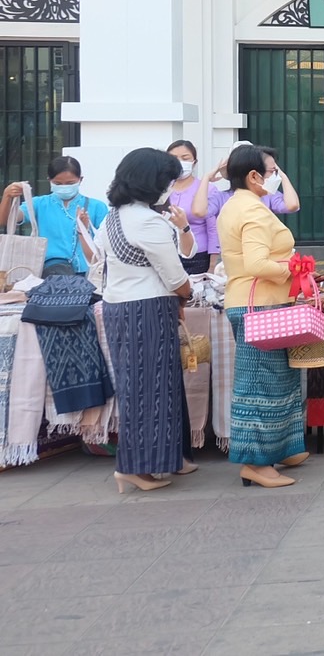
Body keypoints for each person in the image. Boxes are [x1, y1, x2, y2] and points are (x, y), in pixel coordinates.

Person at [97, 148, 196, 493]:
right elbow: (174, 275)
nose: (169, 186)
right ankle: (134, 469)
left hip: (119, 308)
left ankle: (162, 461)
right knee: (150, 392)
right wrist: (188, 294)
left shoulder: (113, 216)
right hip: (147, 309)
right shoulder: (147, 222)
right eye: (167, 180)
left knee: (142, 389)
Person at [217, 145, 309, 488]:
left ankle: (281, 448)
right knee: (258, 386)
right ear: (253, 176)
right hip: (259, 306)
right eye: (271, 172)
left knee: (278, 381)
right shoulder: (252, 212)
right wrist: (292, 268)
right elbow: (257, 264)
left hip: (259, 303)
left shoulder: (238, 205)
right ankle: (254, 463)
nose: (274, 178)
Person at [2, 157, 109, 276]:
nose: (64, 187)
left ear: (80, 180)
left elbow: (106, 241)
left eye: (70, 183)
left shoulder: (97, 207)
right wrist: (7, 196)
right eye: (58, 183)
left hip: (88, 273)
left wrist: (85, 230)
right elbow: (6, 220)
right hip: (49, 272)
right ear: (49, 180)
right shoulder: (39, 204)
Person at [192, 142, 299, 222]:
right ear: (253, 174)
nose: (274, 175)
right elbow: (199, 211)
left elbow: (292, 205)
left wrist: (283, 176)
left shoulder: (267, 195)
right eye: (271, 171)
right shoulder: (221, 198)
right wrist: (206, 178)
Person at [166, 141, 215, 274]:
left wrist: (212, 266)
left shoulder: (207, 189)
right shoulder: (160, 189)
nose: (180, 162)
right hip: (166, 255)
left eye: (185, 158)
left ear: (194, 162)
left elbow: (213, 229)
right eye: (174, 158)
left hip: (198, 257)